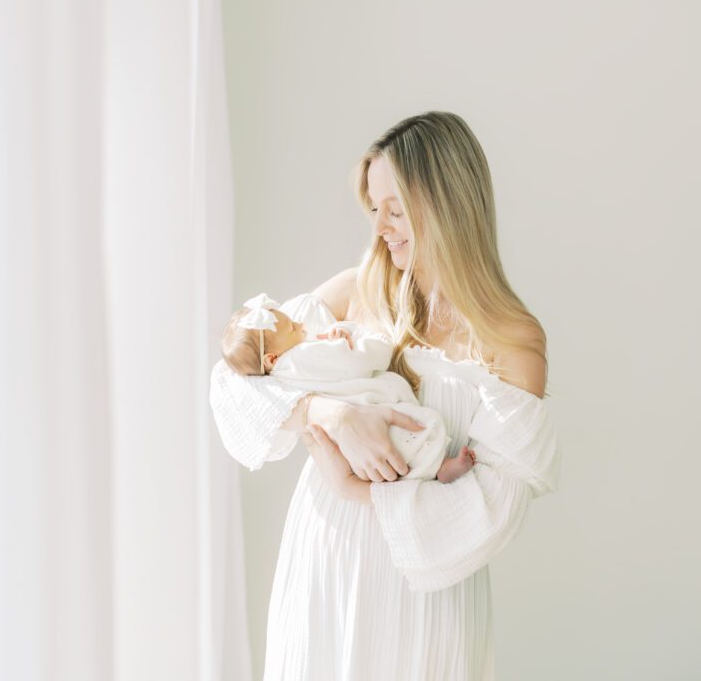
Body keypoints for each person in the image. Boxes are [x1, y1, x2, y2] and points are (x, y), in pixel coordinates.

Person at [208, 110, 561, 680]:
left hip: (422, 596)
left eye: (395, 209)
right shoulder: (353, 294)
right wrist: (329, 413)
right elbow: (233, 379)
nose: (380, 228)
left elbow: (493, 510)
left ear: (448, 205)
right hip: (326, 561)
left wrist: (358, 492)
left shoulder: (512, 340)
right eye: (374, 209)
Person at [218, 291, 477, 483]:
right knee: (412, 433)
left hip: (345, 448)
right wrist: (358, 339)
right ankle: (439, 468)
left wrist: (334, 339)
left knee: (401, 445)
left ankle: (436, 468)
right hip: (368, 406)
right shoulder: (300, 358)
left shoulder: (280, 375)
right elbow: (356, 362)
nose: (300, 325)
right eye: (292, 327)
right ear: (272, 359)